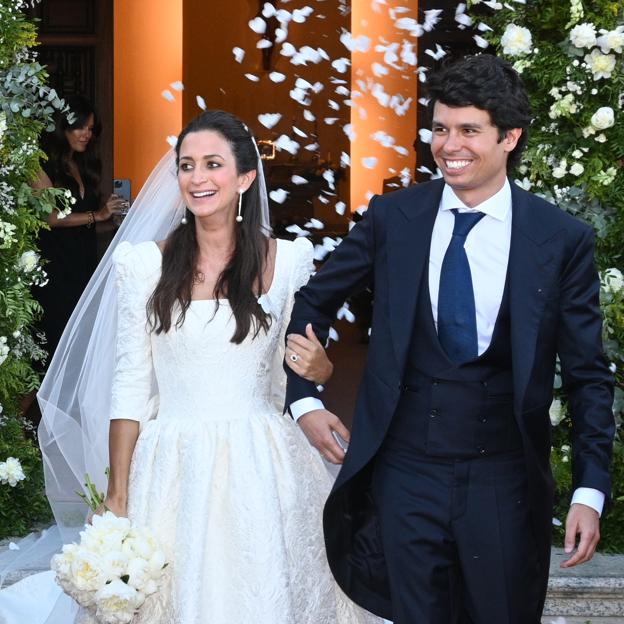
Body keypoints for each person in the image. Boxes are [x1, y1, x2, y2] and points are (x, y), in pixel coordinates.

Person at [8, 110, 381, 624]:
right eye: (187, 165)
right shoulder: (142, 264)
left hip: (264, 460)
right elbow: (130, 384)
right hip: (172, 462)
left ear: (246, 178)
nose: (197, 178)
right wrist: (117, 495)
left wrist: (321, 372)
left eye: (212, 164)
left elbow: (295, 372)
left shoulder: (289, 259)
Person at [284, 54, 615, 624]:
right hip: (405, 475)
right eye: (439, 128)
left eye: (468, 130)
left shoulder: (560, 239)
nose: (448, 145)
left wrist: (590, 489)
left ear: (509, 137)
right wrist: (305, 400)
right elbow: (313, 302)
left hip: (504, 481)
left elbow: (588, 375)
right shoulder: (394, 218)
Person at [32, 95, 125, 364]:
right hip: (53, 269)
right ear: (63, 128)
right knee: (51, 347)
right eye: (80, 127)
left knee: (79, 347)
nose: (87, 134)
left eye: (91, 129)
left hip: (82, 267)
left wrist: (116, 220)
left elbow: (87, 225)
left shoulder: (83, 166)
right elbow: (50, 217)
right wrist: (98, 214)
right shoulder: (40, 166)